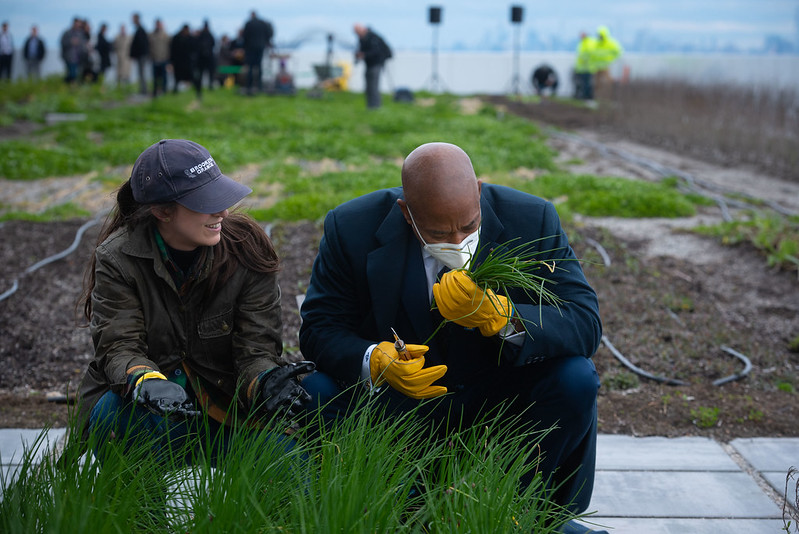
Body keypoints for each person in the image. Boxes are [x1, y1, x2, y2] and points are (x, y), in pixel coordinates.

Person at [299, 142, 604, 533]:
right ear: (406, 213)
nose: (458, 240)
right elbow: (319, 326)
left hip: (503, 408)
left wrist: (506, 318)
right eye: (440, 232)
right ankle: (395, 507)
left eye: (469, 225)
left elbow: (584, 321)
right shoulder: (351, 226)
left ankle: (524, 512)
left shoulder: (532, 218)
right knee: (316, 388)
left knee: (576, 377)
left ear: (479, 191)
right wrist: (375, 360)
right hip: (402, 410)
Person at [76, 138, 315, 464]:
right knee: (110, 413)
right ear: (162, 211)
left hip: (230, 412)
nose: (223, 211)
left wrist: (265, 381)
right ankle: (140, 514)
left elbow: (256, 352)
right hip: (155, 416)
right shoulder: (118, 257)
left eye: (221, 196)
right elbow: (119, 348)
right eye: (206, 202)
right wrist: (144, 379)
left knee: (286, 458)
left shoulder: (248, 251)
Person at [353, 23, 392, 109]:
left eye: (357, 32)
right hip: (369, 64)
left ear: (362, 30)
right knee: (369, 86)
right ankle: (370, 105)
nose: (357, 34)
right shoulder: (362, 39)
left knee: (373, 85)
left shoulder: (373, 38)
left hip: (376, 64)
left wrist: (364, 54)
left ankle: (375, 106)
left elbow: (376, 51)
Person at [241, 10, 273, 95]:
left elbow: (244, 36)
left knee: (250, 67)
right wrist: (265, 42)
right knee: (259, 66)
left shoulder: (248, 23)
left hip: (250, 48)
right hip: (260, 47)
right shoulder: (263, 23)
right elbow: (269, 33)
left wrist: (244, 47)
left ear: (251, 15)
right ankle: (259, 86)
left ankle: (249, 86)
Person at [170, 24, 200, 98]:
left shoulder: (191, 39)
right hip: (179, 63)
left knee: (193, 78)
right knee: (177, 78)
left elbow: (195, 51)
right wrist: (171, 62)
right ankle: (175, 92)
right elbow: (172, 51)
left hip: (188, 63)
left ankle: (198, 92)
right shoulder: (177, 38)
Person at [592, 26, 623, 97]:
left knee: (609, 81)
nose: (599, 37)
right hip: (597, 67)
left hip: (606, 66)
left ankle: (613, 95)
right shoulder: (597, 43)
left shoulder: (611, 43)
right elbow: (593, 54)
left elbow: (618, 52)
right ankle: (597, 97)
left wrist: (610, 59)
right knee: (597, 83)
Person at [60, 17, 88, 84]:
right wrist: (71, 42)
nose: (78, 25)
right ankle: (70, 86)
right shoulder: (67, 33)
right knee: (71, 74)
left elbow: (83, 44)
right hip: (69, 57)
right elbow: (62, 42)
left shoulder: (81, 33)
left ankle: (72, 86)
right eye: (77, 23)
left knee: (76, 74)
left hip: (79, 58)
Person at [148, 19, 170, 97]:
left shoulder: (166, 35)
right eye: (157, 24)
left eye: (159, 24)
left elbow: (169, 48)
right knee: (155, 78)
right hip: (155, 59)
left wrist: (169, 61)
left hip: (164, 59)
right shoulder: (151, 35)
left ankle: (164, 92)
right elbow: (149, 47)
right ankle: (155, 93)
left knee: (164, 78)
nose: (158, 26)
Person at [129, 12, 149, 94]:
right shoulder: (139, 29)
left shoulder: (140, 30)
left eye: (133, 18)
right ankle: (143, 89)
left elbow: (141, 44)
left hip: (142, 56)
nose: (132, 20)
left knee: (142, 73)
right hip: (141, 55)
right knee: (141, 73)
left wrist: (135, 54)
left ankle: (144, 90)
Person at [573, 31, 597, 101]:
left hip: (587, 68)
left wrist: (584, 60)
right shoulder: (582, 43)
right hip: (581, 68)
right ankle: (584, 96)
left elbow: (589, 54)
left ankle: (588, 97)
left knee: (587, 83)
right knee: (583, 83)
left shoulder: (589, 43)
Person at [196, 20, 216, 90]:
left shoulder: (208, 35)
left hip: (208, 57)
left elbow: (213, 44)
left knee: (209, 72)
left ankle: (210, 85)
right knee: (201, 73)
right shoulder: (204, 35)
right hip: (202, 57)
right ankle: (200, 85)